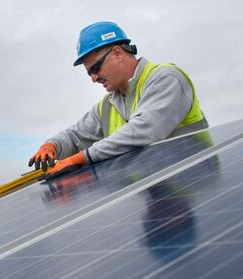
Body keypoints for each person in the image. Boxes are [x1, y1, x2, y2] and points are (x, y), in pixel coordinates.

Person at [29, 21, 208, 180]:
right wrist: (52, 145)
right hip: (154, 198)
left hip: (196, 194)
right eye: (89, 73)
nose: (93, 78)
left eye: (96, 68)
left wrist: (80, 158)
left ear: (118, 53)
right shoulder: (107, 106)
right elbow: (75, 136)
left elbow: (143, 130)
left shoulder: (166, 78)